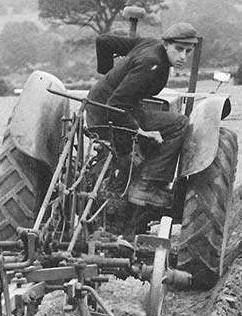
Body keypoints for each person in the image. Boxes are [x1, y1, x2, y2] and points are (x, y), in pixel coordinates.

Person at [85, 22, 199, 208]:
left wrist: (108, 74)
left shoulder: (148, 44)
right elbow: (116, 104)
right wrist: (140, 131)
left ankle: (132, 175)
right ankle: (146, 186)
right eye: (178, 49)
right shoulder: (151, 63)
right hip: (109, 114)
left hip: (97, 107)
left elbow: (103, 41)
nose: (183, 57)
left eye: (188, 51)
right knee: (179, 123)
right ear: (166, 44)